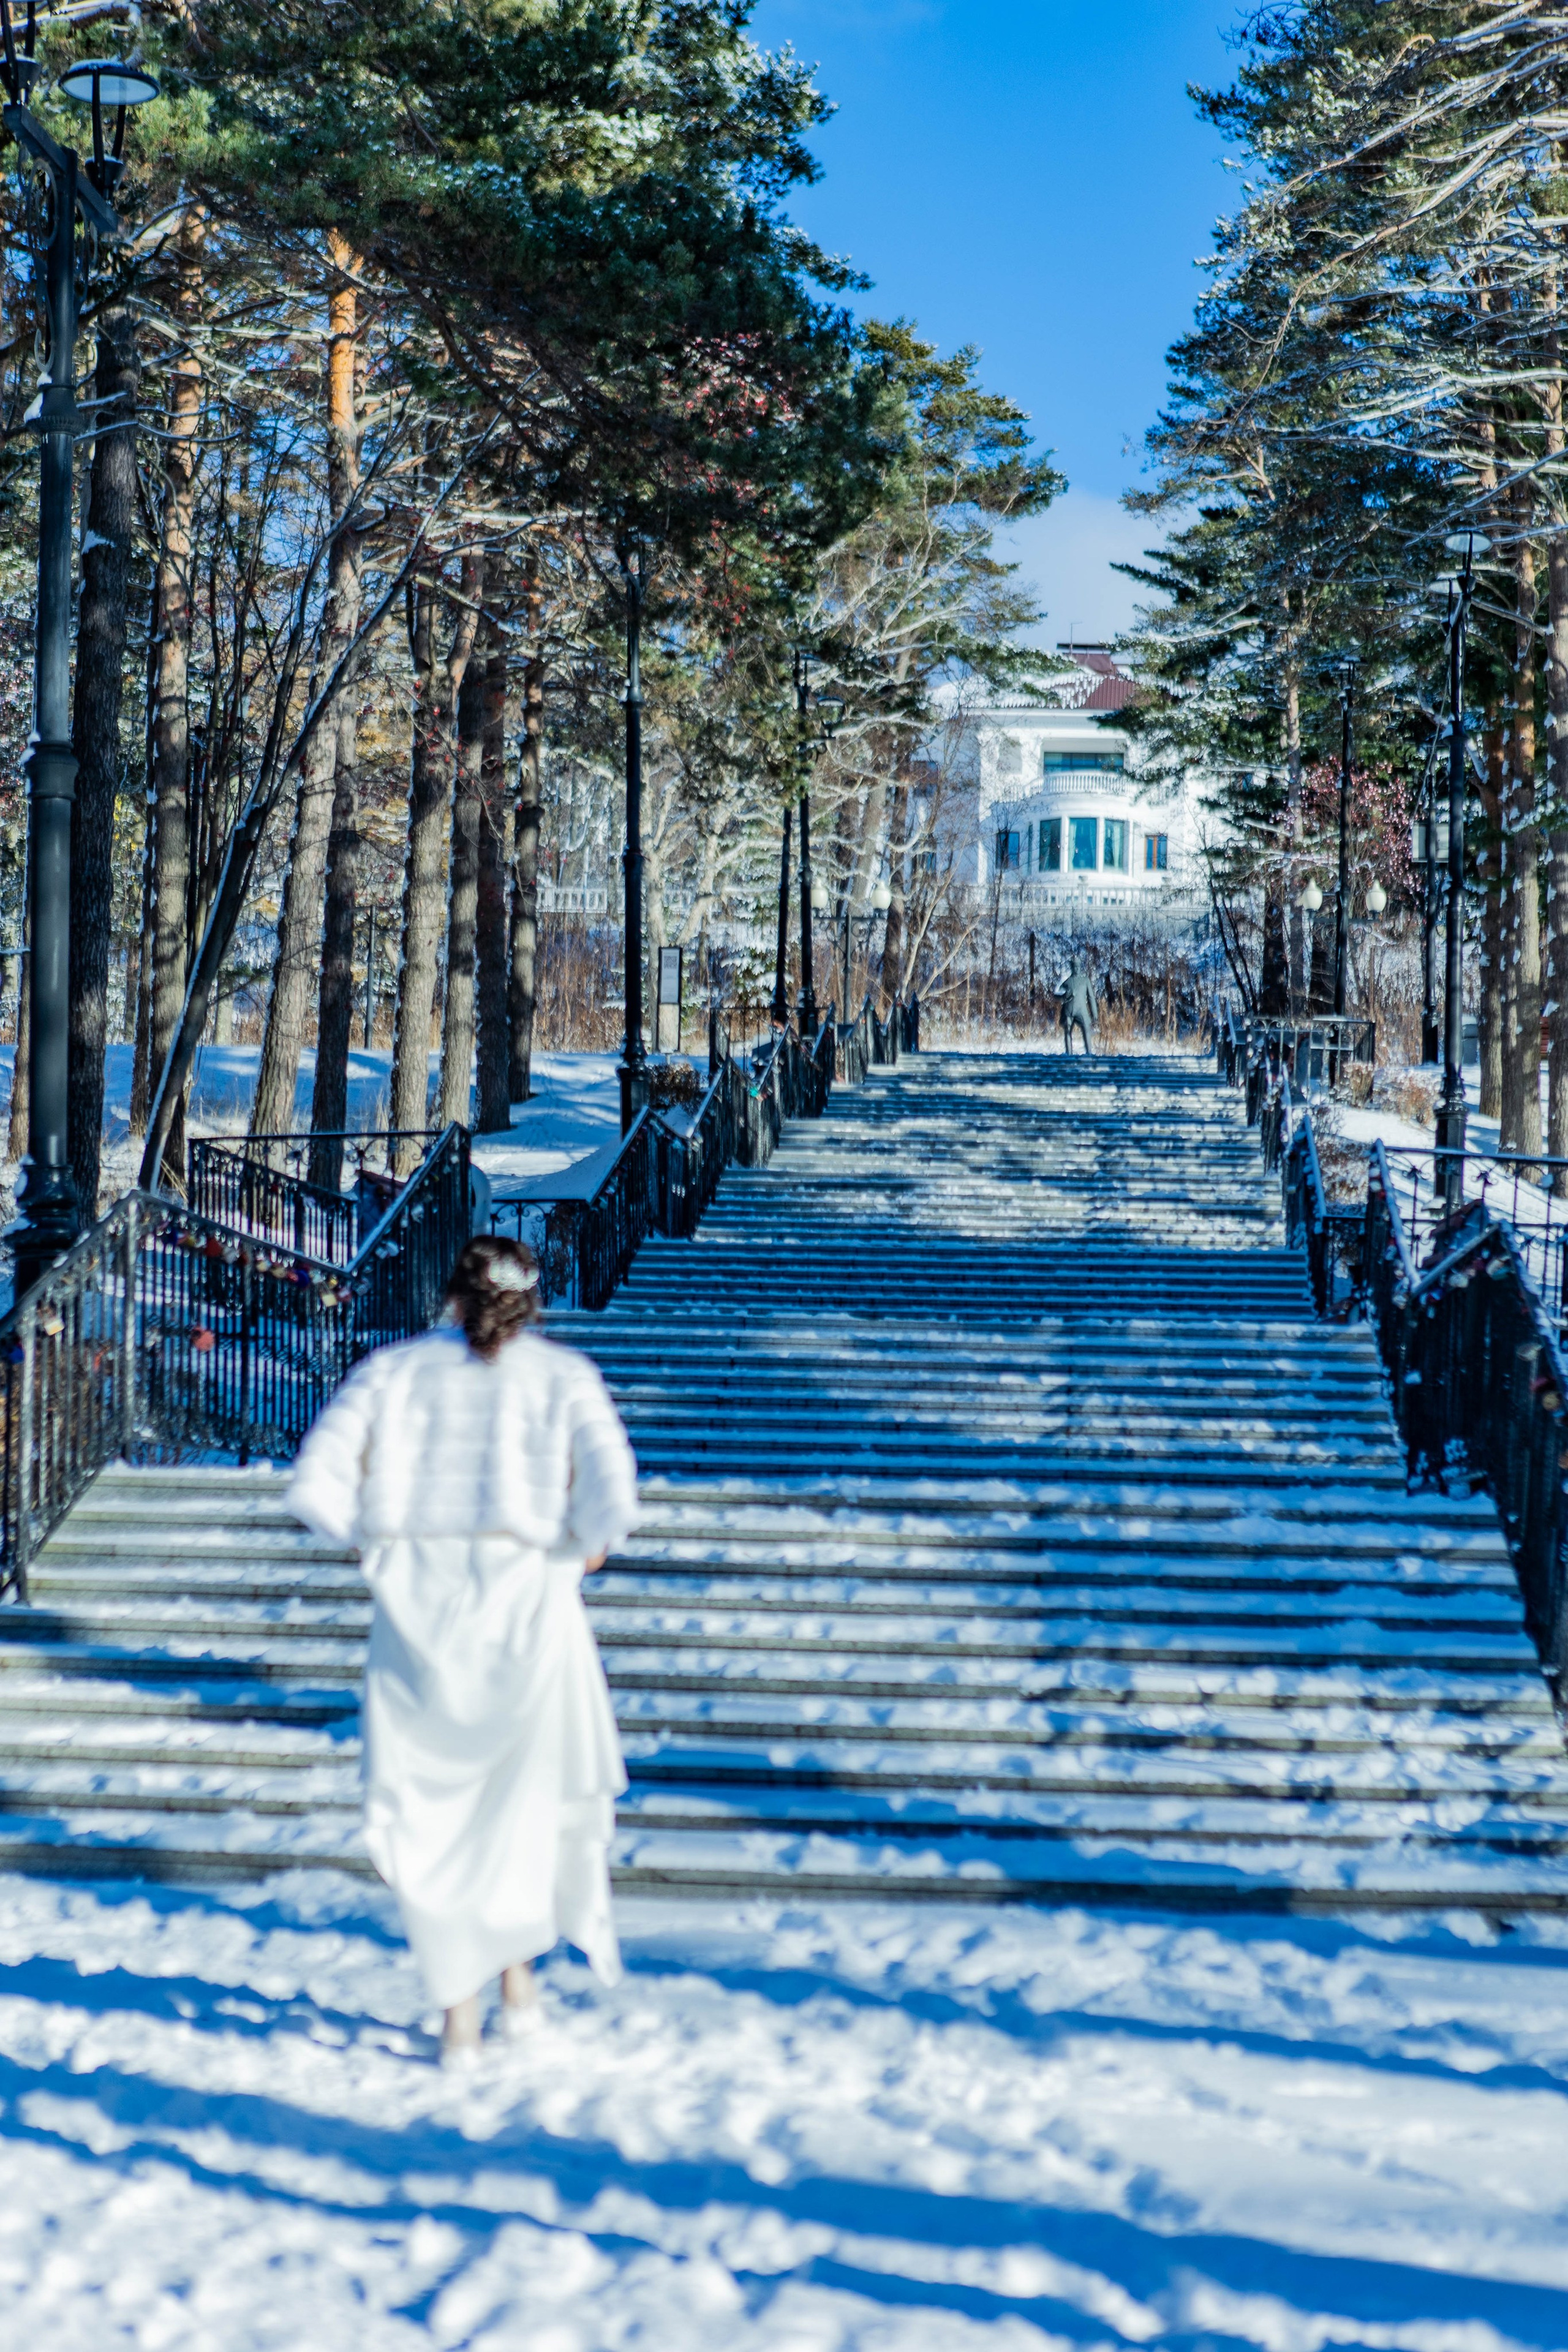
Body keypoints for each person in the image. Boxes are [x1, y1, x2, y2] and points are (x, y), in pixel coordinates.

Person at [288, 1234, 638, 2069]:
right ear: (531, 1298)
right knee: (521, 1815)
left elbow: (315, 1482)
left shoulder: (394, 1373)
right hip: (531, 1609)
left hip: (419, 1622)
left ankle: (460, 2016)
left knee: (433, 1822)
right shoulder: (563, 1379)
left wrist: (381, 1547)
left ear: (451, 1293)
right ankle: (518, 1993)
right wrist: (581, 1548)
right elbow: (614, 1497)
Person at [1061, 959, 1098, 1055]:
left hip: (1082, 1011)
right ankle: (1069, 1053)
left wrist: (1094, 1012)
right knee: (1068, 1031)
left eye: (1078, 967)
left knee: (1086, 1028)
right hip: (1069, 1011)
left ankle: (1089, 1053)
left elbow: (1091, 998)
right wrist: (1066, 996)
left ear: (1081, 968)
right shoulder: (1067, 982)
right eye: (1075, 967)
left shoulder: (1085, 981)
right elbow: (1057, 994)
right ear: (1072, 968)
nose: (1076, 969)